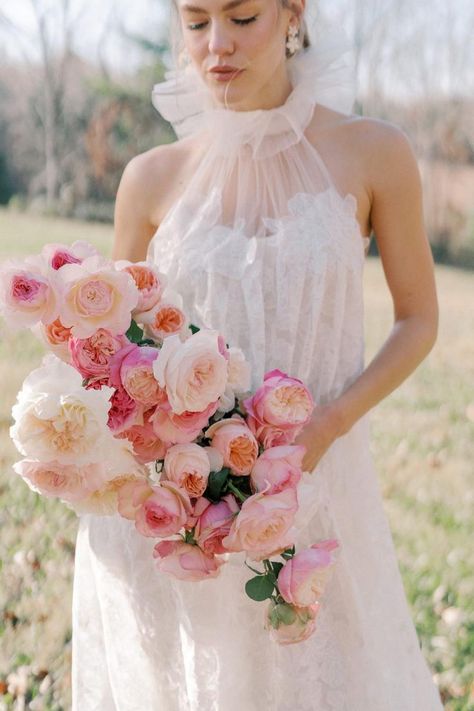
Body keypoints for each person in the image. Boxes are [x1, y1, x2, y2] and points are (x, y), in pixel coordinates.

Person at [71, 0, 444, 708]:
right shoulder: (150, 178)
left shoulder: (374, 152)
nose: (217, 46)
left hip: (316, 493)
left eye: (242, 18)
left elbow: (420, 319)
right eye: (196, 19)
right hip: (182, 513)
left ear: (293, 12)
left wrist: (330, 424)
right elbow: (111, 357)